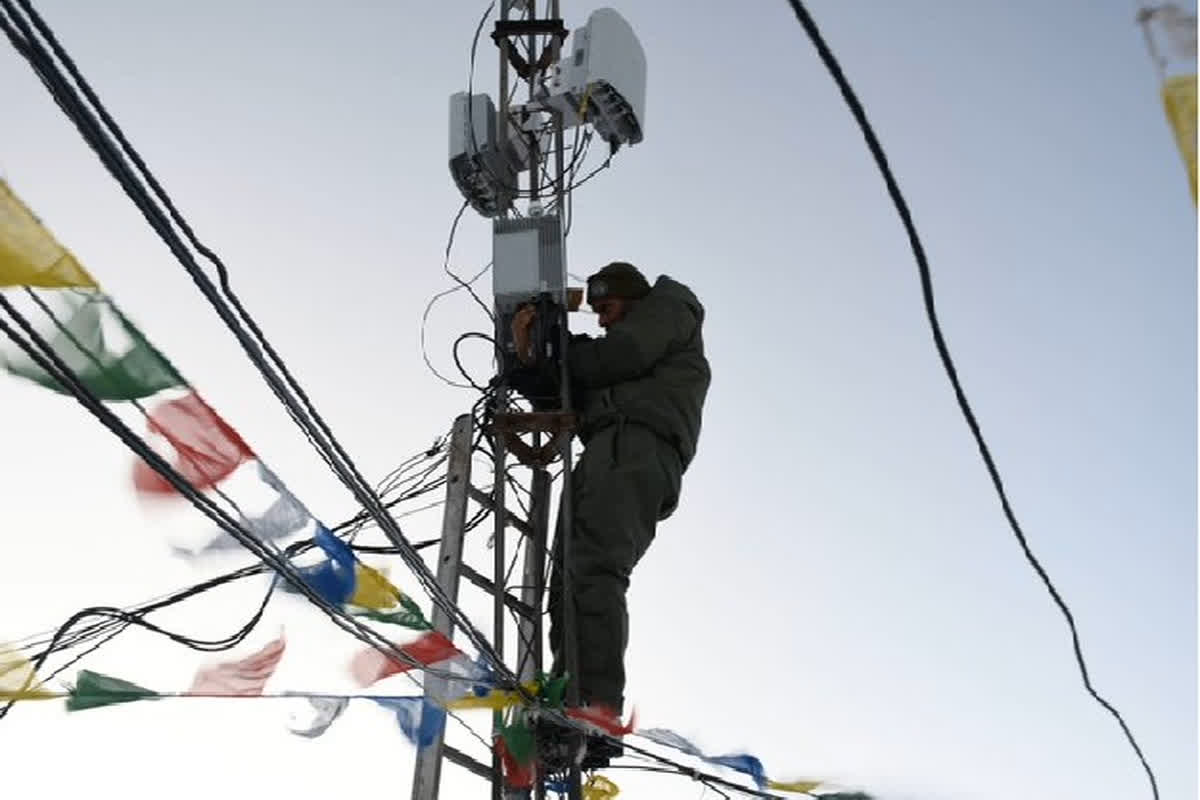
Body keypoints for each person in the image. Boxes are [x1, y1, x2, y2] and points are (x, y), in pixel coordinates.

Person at [511, 261, 710, 768]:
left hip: (636, 448)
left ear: (632, 296)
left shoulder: (670, 307)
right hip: (606, 451)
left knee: (595, 572)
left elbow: (620, 355)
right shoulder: (611, 358)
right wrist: (528, 352)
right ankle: (570, 703)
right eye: (596, 311)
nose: (601, 320)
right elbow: (565, 389)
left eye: (607, 307)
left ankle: (595, 716)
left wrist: (565, 349)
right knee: (569, 584)